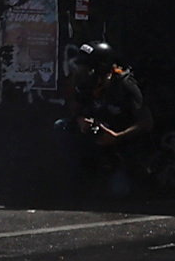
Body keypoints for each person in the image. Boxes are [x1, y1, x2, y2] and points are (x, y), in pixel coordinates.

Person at [62, 41, 152, 195]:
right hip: (99, 140)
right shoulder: (86, 86)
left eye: (86, 68)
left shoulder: (124, 85)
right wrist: (80, 120)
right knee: (62, 127)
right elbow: (76, 108)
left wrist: (117, 136)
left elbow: (146, 122)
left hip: (123, 143)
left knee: (120, 190)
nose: (82, 72)